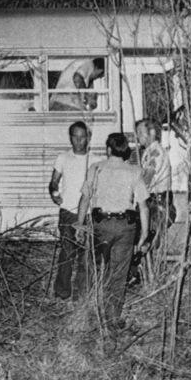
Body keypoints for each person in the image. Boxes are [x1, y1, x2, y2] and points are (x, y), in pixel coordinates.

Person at [76, 133, 150, 333]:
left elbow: (84, 199)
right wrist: (143, 235)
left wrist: (80, 225)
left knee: (95, 268)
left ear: (108, 149)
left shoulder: (96, 168)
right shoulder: (135, 171)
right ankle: (112, 319)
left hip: (100, 225)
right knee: (118, 274)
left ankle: (88, 313)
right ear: (125, 150)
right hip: (125, 227)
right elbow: (143, 207)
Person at [48, 121, 101, 300]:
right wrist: (54, 193)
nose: (79, 141)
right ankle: (62, 292)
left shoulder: (95, 160)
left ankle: (82, 294)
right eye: (75, 137)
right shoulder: (63, 158)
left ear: (88, 138)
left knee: (86, 255)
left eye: (82, 137)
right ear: (70, 138)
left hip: (88, 214)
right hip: (67, 212)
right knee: (67, 252)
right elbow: (54, 181)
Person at [127, 118, 175, 286]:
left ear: (152, 133)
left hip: (158, 203)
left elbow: (147, 177)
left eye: (140, 133)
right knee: (141, 241)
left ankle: (148, 280)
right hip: (151, 201)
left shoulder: (156, 152)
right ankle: (144, 279)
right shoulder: (147, 151)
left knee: (145, 242)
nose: (137, 137)